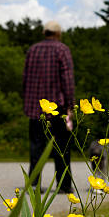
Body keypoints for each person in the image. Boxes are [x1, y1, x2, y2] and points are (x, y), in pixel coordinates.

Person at [23, 20, 75, 193]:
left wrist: (26, 102)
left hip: (34, 106)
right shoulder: (62, 49)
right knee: (62, 146)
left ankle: (33, 184)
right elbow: (67, 80)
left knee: (36, 146)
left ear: (44, 33)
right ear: (58, 34)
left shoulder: (32, 50)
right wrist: (70, 106)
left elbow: (25, 78)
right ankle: (63, 185)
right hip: (56, 107)